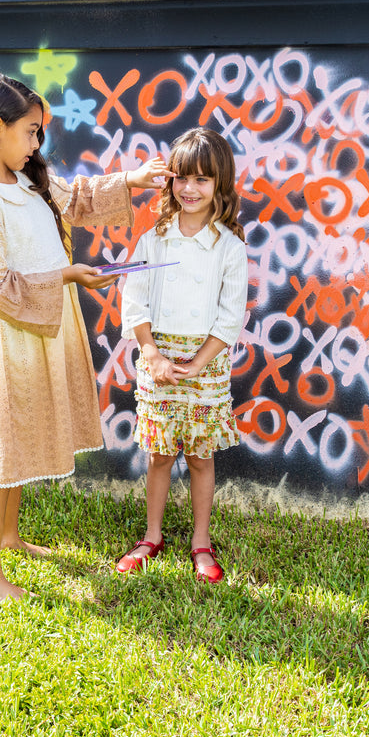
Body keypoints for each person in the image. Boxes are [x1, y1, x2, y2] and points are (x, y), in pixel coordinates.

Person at [0, 73, 171, 601]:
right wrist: (67, 276)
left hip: (42, 326)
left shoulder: (26, 180)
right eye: (30, 132)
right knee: (3, 446)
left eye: (39, 133)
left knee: (20, 435)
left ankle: (10, 537)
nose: (36, 144)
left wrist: (134, 180)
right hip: (9, 338)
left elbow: (78, 198)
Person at [115, 127, 248, 583]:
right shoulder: (154, 239)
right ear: (170, 181)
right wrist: (150, 353)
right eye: (182, 178)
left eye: (203, 180)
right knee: (158, 454)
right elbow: (134, 298)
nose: (190, 189)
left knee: (200, 456)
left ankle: (200, 541)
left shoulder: (229, 247)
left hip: (206, 365)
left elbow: (231, 315)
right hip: (158, 359)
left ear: (220, 185)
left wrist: (201, 360)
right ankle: (152, 535)